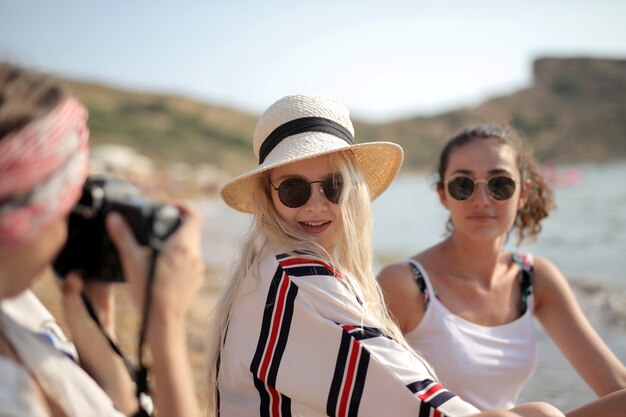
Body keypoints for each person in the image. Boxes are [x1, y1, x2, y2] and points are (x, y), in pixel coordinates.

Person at [208, 94, 565, 417]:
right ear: (268, 196)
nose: (316, 206)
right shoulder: (299, 277)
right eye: (293, 189)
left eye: (334, 186)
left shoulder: (265, 267)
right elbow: (425, 408)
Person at [377, 124, 626, 415]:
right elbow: (370, 395)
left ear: (523, 194)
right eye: (463, 185)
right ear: (443, 195)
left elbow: (616, 388)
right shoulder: (405, 284)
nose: (482, 200)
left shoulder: (534, 278)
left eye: (500, 185)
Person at [0, 63, 202, 417]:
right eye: (69, 202)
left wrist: (105, 364)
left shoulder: (16, 308)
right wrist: (165, 326)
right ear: (33, 213)